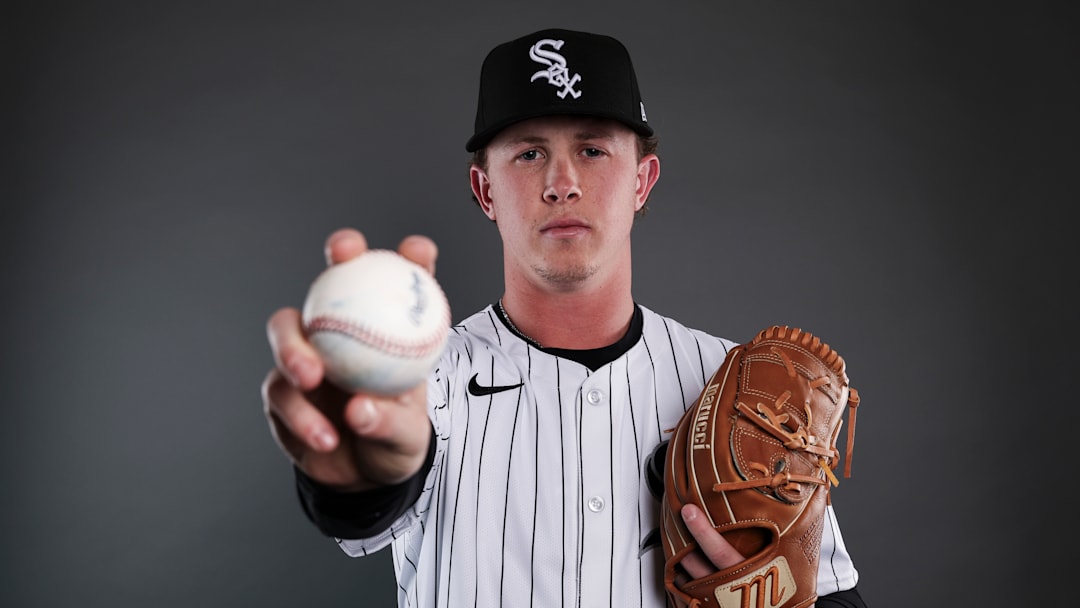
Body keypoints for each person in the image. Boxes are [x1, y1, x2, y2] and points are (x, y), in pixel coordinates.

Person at [262, 28, 866, 607]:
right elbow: (361, 504)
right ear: (486, 191)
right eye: (529, 153)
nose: (561, 183)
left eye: (592, 149)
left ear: (641, 181)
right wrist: (358, 474)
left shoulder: (736, 386)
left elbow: (834, 594)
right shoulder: (420, 380)